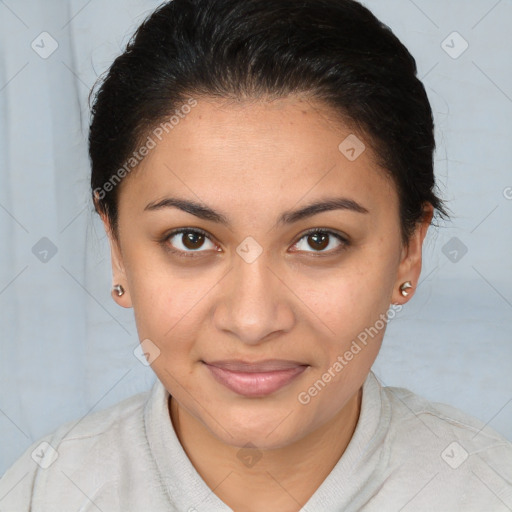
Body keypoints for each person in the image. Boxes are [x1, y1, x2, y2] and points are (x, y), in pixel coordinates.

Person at [1, 0, 511, 510]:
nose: (252, 321)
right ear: (117, 250)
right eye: (191, 239)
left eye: (319, 240)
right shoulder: (42, 493)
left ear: (408, 251)